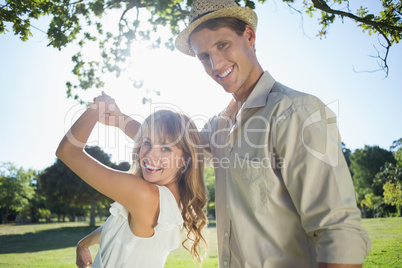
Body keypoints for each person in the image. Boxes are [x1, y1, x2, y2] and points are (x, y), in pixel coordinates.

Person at [173, 0, 372, 267]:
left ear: (249, 36)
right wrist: (115, 118)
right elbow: (169, 142)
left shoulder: (294, 111)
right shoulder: (220, 125)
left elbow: (338, 232)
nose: (216, 64)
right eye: (204, 57)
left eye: (222, 45)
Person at [56, 92, 208, 268]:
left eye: (165, 148)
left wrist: (99, 106)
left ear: (184, 160)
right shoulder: (171, 195)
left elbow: (67, 151)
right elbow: (119, 224)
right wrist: (84, 243)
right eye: (147, 143)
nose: (150, 155)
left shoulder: (145, 195)